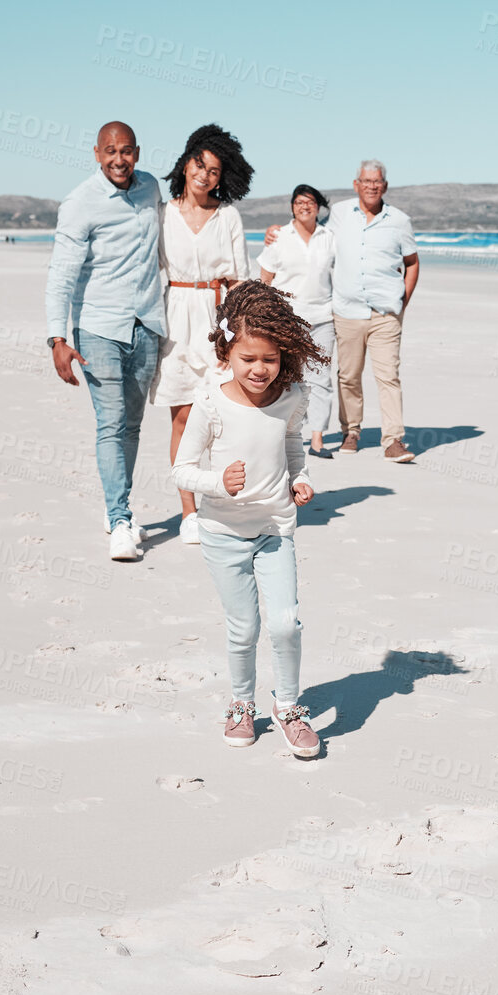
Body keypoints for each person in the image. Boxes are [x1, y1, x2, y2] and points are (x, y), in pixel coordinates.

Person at [170, 282, 332, 758]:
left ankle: (289, 707)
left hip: (276, 529)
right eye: (248, 359)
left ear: (285, 355)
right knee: (243, 628)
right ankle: (242, 705)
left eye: (271, 359)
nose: (260, 370)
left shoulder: (292, 398)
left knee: (285, 624)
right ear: (227, 351)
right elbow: (181, 468)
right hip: (222, 534)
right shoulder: (210, 404)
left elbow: (291, 447)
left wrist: (301, 479)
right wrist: (220, 482)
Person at [44, 121, 165, 562]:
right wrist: (57, 338)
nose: (119, 159)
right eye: (110, 151)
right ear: (97, 153)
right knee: (110, 424)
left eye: (127, 151)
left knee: (131, 427)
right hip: (98, 328)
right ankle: (118, 519)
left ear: (137, 152)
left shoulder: (151, 188)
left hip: (147, 323)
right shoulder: (80, 204)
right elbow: (60, 275)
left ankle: (121, 511)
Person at [265, 159, 418, 462]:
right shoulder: (340, 214)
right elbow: (309, 233)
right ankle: (352, 431)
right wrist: (277, 231)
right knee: (348, 376)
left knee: (388, 376)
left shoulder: (399, 221)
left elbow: (412, 263)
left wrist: (403, 302)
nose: (371, 186)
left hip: (385, 313)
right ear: (356, 184)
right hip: (346, 311)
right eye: (366, 181)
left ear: (384, 186)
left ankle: (393, 440)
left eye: (377, 182)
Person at [151, 125, 255, 546]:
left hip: (217, 321)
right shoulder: (163, 213)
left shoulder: (228, 216)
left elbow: (242, 278)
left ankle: (223, 502)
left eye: (214, 171)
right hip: (175, 320)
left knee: (223, 417)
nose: (205, 175)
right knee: (181, 418)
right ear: (186, 162)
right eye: (199, 164)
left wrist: (238, 333)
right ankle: (189, 512)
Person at [256, 184, 336, 457]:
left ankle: (317, 440)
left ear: (318, 206)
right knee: (289, 378)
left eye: (310, 201)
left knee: (321, 379)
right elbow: (265, 280)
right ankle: (287, 435)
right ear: (292, 207)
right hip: (289, 320)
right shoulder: (279, 237)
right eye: (299, 202)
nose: (305, 206)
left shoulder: (329, 237)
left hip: (324, 317)